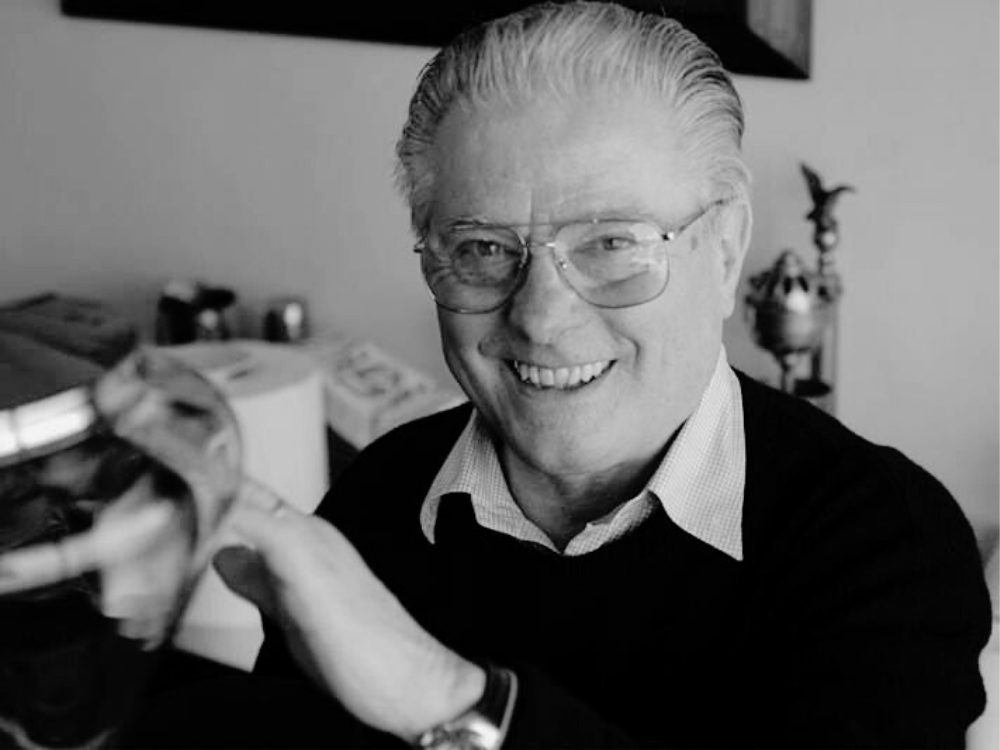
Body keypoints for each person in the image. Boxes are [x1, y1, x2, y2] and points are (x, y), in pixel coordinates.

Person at [140, 2, 992, 748]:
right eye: (483, 248)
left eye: (612, 242)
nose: (542, 317)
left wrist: (446, 700)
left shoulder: (886, 542)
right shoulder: (375, 499)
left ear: (725, 250)